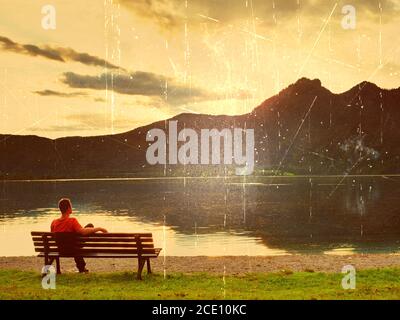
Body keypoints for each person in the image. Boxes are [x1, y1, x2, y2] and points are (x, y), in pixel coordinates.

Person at [50, 198, 108, 273]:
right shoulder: (72, 221)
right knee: (89, 226)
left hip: (61, 249)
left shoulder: (54, 222)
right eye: (70, 206)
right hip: (73, 249)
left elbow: (52, 237)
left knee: (75, 240)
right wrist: (99, 228)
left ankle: (81, 267)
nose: (71, 208)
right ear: (68, 208)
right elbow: (83, 232)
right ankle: (81, 267)